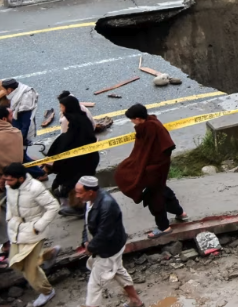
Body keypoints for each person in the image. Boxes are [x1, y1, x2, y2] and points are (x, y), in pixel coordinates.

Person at [114, 104, 188, 239]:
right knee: (162, 190)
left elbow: (166, 147)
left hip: (155, 169)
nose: (132, 122)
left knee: (154, 198)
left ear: (137, 118)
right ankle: (180, 213)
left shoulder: (151, 128)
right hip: (156, 168)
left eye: (132, 119)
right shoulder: (149, 123)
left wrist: (150, 168)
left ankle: (164, 227)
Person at [75, 176, 144, 307]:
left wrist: (91, 247)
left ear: (90, 192)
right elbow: (87, 223)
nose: (77, 196)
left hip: (108, 250)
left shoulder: (107, 206)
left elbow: (104, 234)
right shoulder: (89, 200)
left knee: (94, 287)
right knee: (118, 271)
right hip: (108, 246)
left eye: (79, 192)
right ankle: (136, 301)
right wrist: (85, 241)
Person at [4, 163, 59, 307]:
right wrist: (9, 218)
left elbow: (53, 206)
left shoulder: (35, 188)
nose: (6, 183)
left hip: (34, 232)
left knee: (29, 270)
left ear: (21, 179)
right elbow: (10, 203)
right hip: (16, 230)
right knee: (15, 262)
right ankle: (47, 255)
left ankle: (47, 291)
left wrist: (38, 226)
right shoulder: (10, 186)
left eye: (10, 180)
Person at [45, 93, 98, 218]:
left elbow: (66, 142)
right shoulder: (81, 117)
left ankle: (79, 208)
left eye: (62, 106)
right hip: (87, 157)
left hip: (81, 161)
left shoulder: (69, 121)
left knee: (75, 184)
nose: (60, 109)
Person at [0, 79, 43, 180]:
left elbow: (26, 123)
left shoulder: (24, 101)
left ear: (10, 90)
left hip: (20, 133)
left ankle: (39, 174)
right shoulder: (15, 93)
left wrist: (20, 139)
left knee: (22, 157)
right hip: (14, 129)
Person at [0, 108, 23, 260]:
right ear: (4, 118)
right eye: (10, 115)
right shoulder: (16, 133)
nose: (12, 117)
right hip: (16, 178)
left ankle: (8, 243)